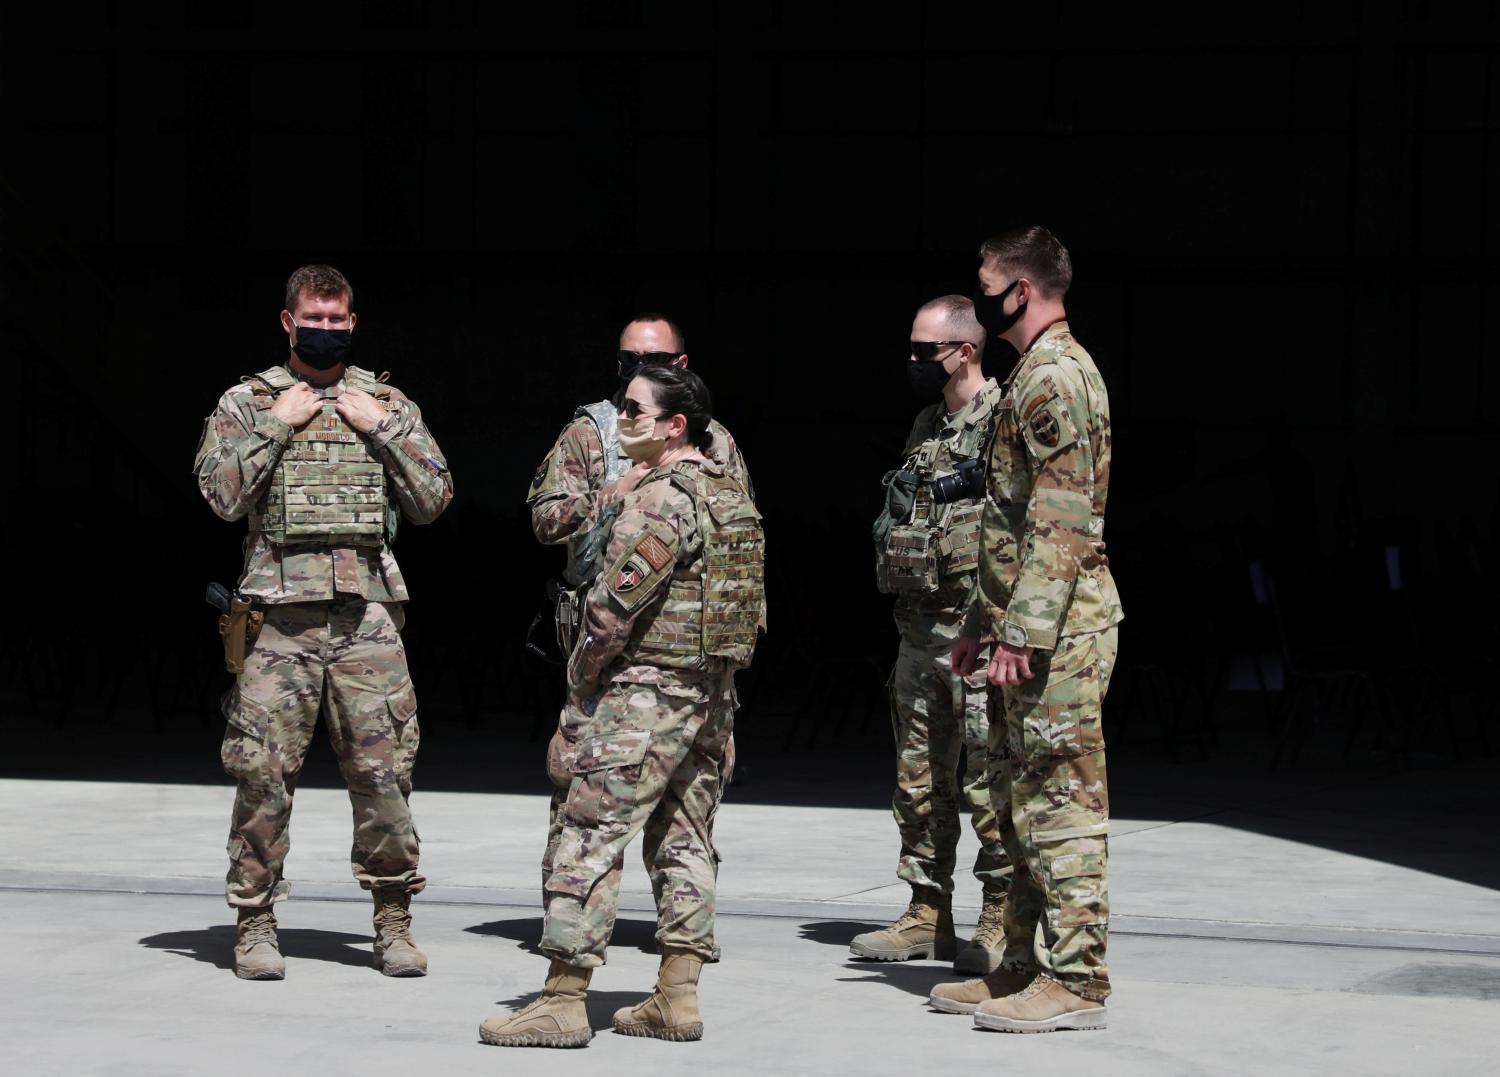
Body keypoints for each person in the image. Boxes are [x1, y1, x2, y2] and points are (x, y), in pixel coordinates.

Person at [481, 364, 765, 1048]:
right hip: (708, 694)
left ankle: (562, 997)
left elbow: (611, 612)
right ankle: (676, 993)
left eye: (635, 411)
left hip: (644, 694)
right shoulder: (731, 498)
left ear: (675, 426)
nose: (622, 420)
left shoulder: (661, 500)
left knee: (589, 831)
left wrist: (580, 688)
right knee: (685, 836)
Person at [193, 264, 453, 980]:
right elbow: (218, 495)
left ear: (352, 322)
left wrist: (387, 430)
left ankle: (393, 918)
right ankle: (254, 921)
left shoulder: (385, 401)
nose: (327, 329)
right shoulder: (248, 402)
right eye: (315, 316)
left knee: (384, 774)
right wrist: (276, 427)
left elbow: (434, 497)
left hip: (367, 614)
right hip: (278, 618)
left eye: (339, 320)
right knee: (263, 775)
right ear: (288, 320)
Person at [930, 227, 1123, 1032]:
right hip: (1023, 626)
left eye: (987, 285)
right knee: (1015, 800)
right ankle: (1020, 963)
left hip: (1061, 632)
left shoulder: (1055, 378)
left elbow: (1061, 518)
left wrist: (1026, 633)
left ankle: (1077, 980)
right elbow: (1007, 522)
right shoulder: (1028, 375)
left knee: (1060, 802)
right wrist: (984, 619)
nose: (979, 299)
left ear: (1023, 289)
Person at [526, 314, 752, 914]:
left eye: (654, 360)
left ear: (683, 365)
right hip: (605, 637)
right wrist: (612, 495)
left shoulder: (714, 440)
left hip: (685, 645)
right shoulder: (593, 432)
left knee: (688, 797)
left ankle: (675, 934)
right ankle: (567, 915)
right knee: (584, 782)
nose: (637, 373)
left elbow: (740, 541)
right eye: (628, 360)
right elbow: (547, 521)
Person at [852, 296, 1011, 973]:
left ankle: (1001, 913)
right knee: (918, 780)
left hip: (975, 631)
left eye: (926, 351)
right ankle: (926, 911)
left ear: (965, 350)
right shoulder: (927, 423)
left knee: (987, 781)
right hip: (919, 631)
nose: (914, 362)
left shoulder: (1004, 420)